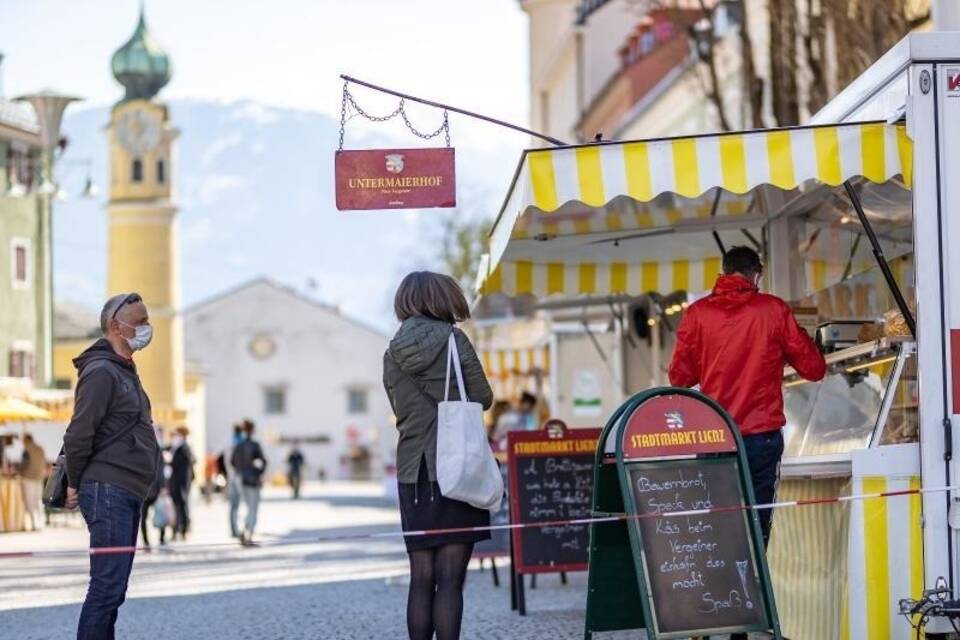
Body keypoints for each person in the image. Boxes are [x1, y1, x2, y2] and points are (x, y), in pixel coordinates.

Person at [668, 246, 826, 546]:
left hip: (713, 434)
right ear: (757, 275)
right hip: (761, 434)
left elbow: (679, 377)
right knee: (757, 525)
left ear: (724, 271)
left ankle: (722, 586)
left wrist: (710, 360)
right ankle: (753, 586)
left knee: (718, 524)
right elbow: (814, 368)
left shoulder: (698, 315)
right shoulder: (773, 310)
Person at [383, 271, 494, 640]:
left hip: (413, 472)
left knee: (421, 577)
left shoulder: (391, 353)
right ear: (442, 299)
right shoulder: (453, 341)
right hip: (457, 467)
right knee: (450, 580)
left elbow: (398, 407)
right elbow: (483, 397)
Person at [63, 292, 159, 640]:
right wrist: (73, 483)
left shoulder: (124, 371)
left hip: (125, 489)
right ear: (117, 326)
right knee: (106, 589)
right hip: (107, 489)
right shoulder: (102, 371)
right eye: (141, 321)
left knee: (113, 590)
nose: (147, 328)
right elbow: (79, 431)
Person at [230, 419, 266, 545]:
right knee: (252, 508)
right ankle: (248, 534)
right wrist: (257, 472)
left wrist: (241, 470)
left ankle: (241, 531)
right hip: (252, 480)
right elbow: (263, 462)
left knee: (240, 506)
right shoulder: (255, 445)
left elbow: (232, 462)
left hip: (239, 479)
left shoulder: (238, 445)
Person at [169, 426, 195, 540]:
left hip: (182, 482)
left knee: (183, 506)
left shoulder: (185, 448)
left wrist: (170, 460)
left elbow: (188, 461)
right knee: (176, 506)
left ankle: (184, 529)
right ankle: (176, 529)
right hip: (175, 481)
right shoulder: (176, 447)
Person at [20, 433, 46, 531]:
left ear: (26, 440)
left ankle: (33, 523)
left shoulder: (26, 451)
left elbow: (23, 465)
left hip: (28, 479)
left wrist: (18, 472)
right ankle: (41, 523)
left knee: (30, 502)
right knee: (38, 501)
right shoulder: (40, 449)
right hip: (39, 478)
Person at [226, 424, 244, 538]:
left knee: (234, 506)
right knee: (238, 505)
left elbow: (226, 462)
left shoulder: (229, 444)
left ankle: (234, 529)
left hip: (231, 477)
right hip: (239, 477)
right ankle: (237, 529)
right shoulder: (241, 444)